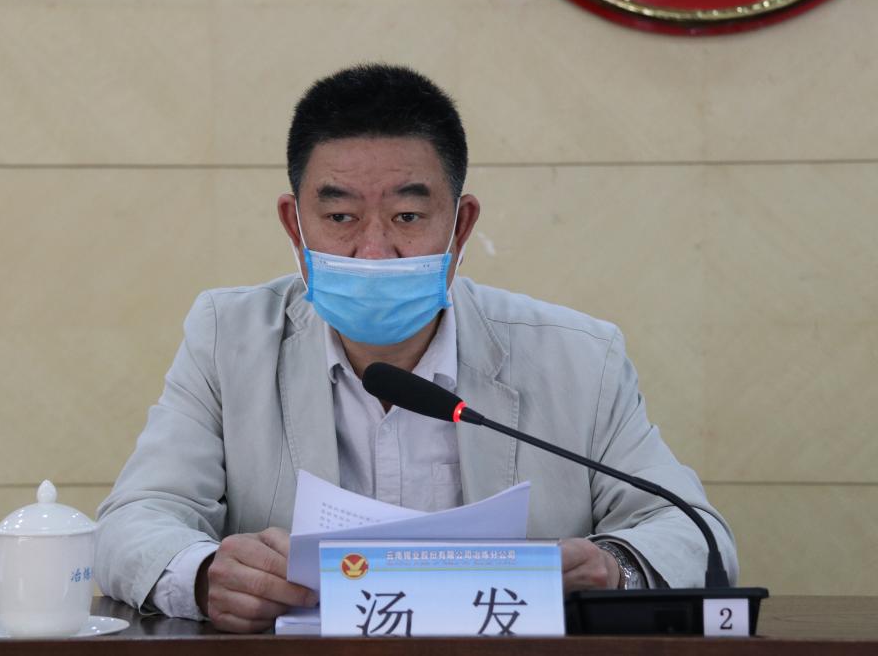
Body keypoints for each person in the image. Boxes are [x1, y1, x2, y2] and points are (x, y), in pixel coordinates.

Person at [95, 64, 738, 633]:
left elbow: (697, 536)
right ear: (295, 224)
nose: (374, 252)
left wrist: (615, 568)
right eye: (340, 217)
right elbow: (134, 521)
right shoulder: (227, 338)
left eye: (407, 217)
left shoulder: (579, 358)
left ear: (460, 226)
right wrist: (204, 575)